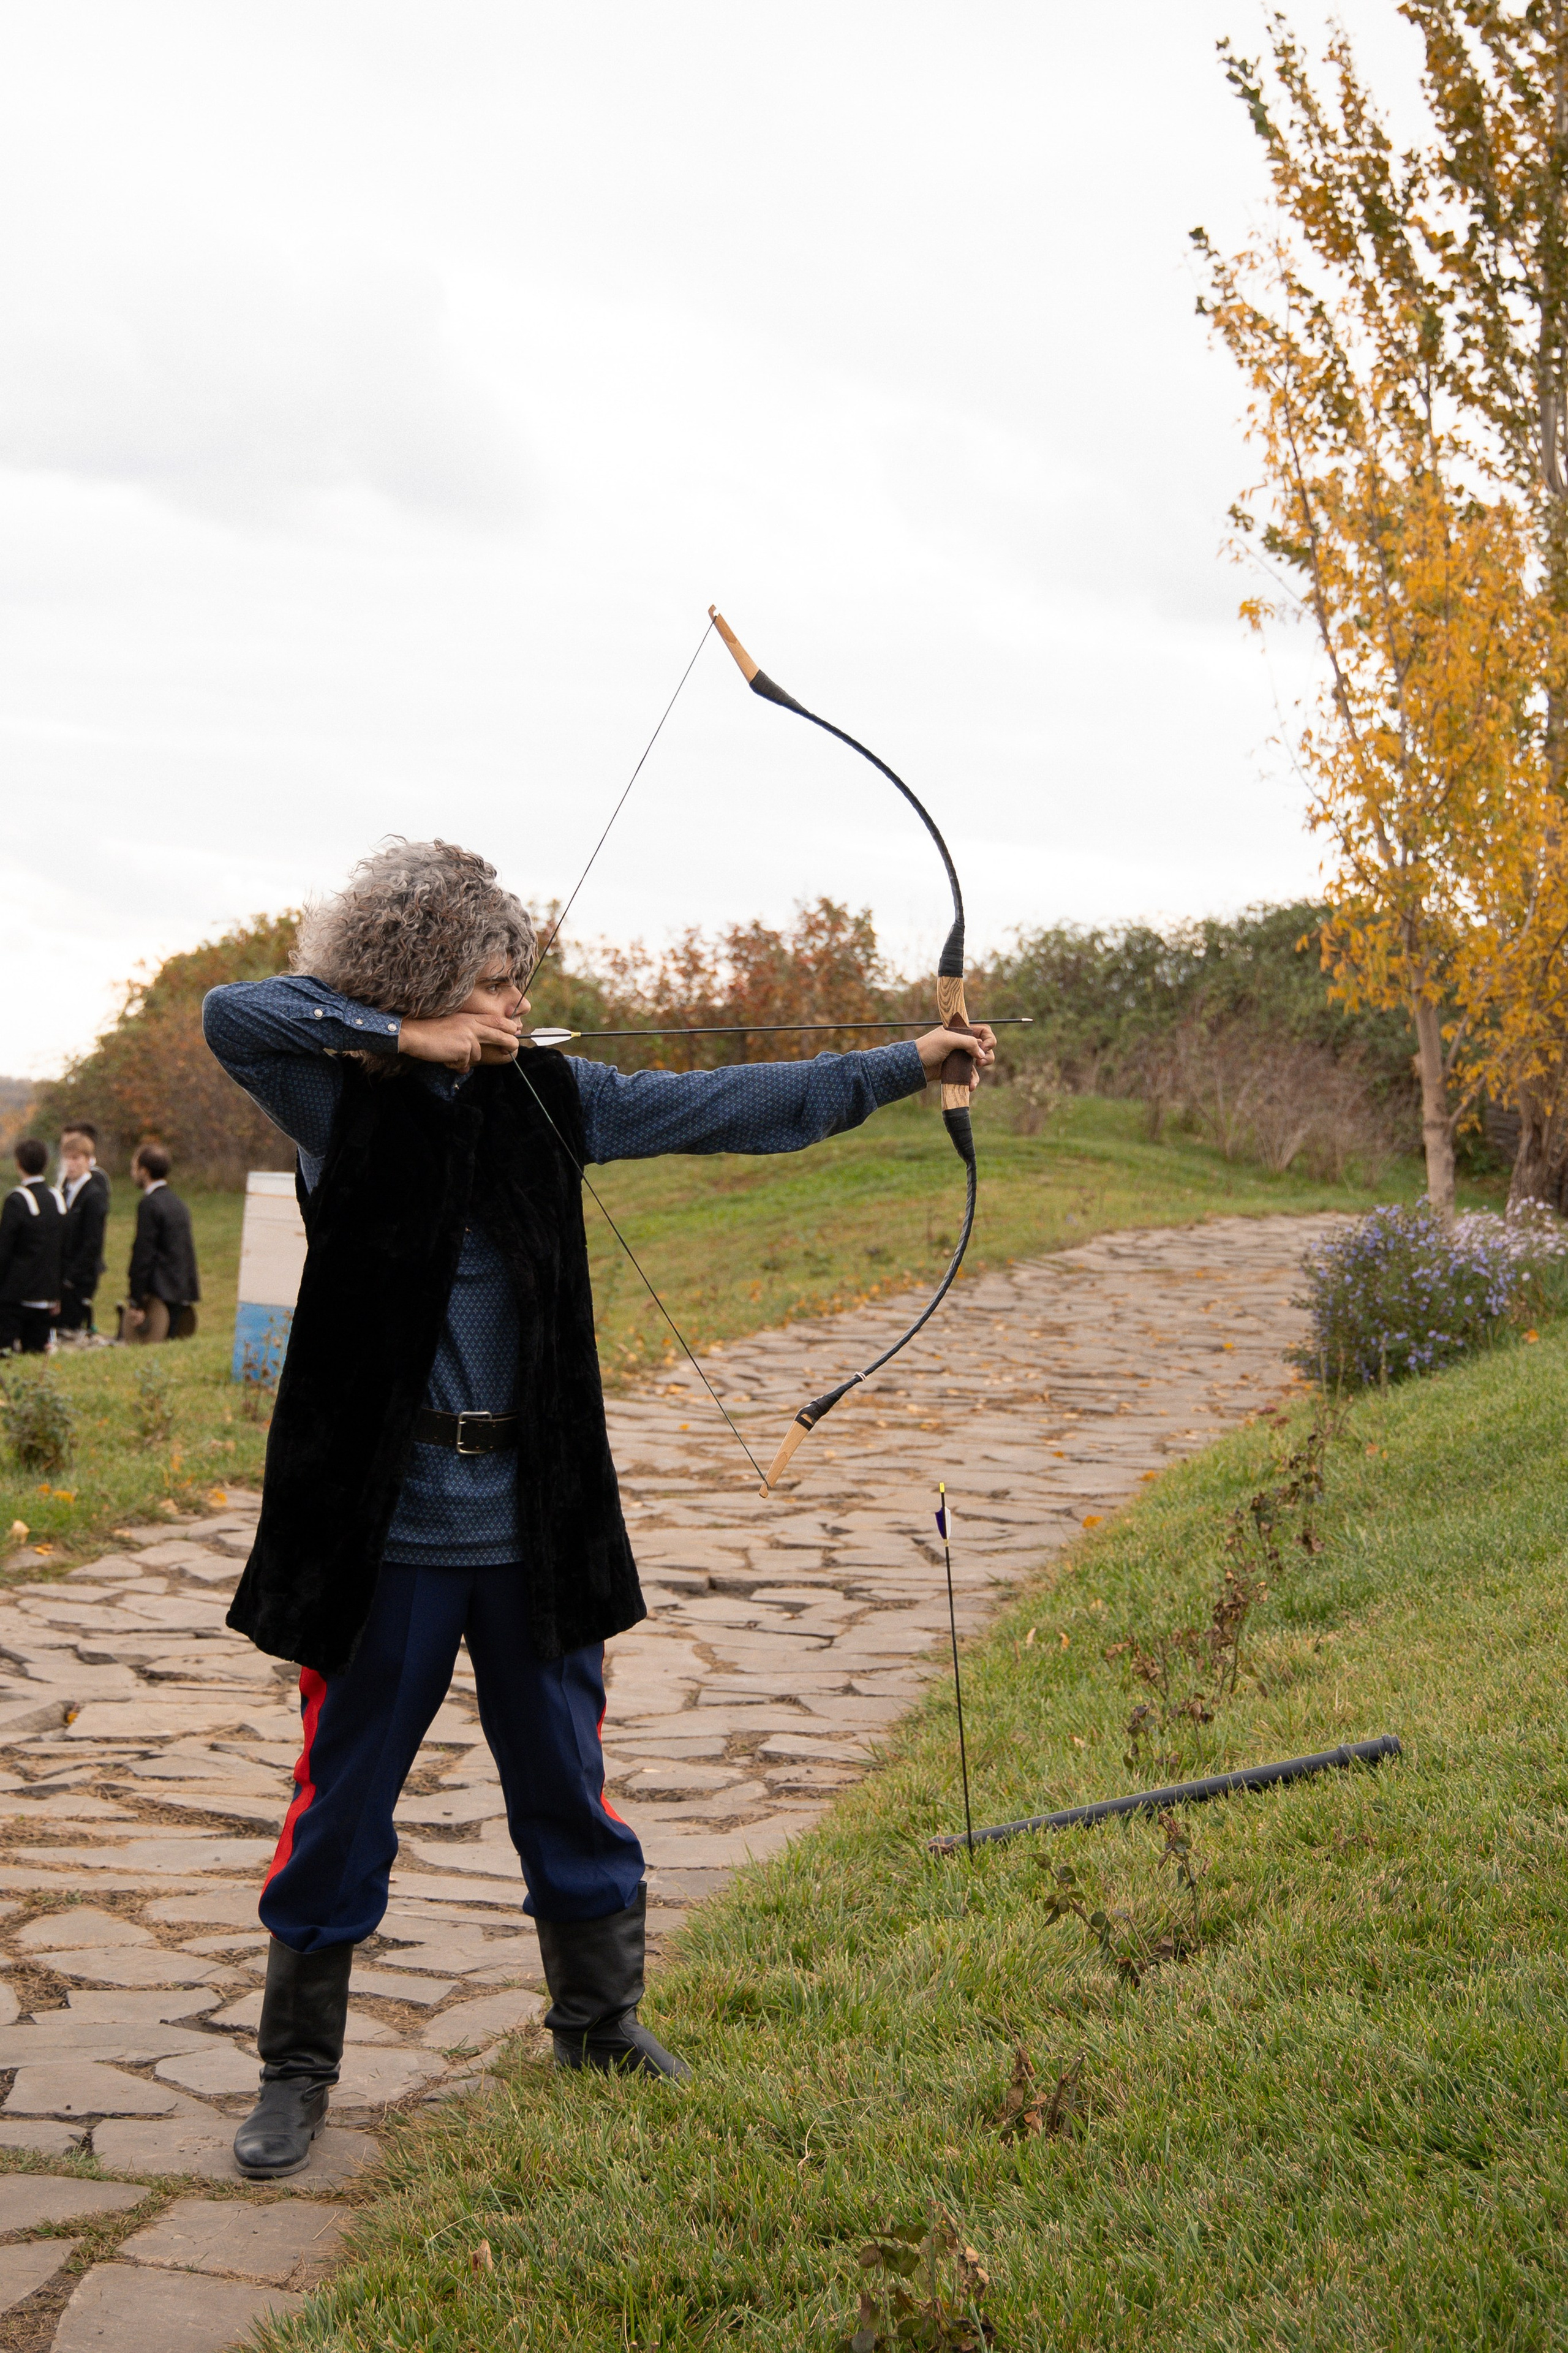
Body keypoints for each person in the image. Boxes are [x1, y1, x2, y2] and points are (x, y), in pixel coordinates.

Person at [202, 838, 994, 2180]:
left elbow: (743, 1102)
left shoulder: (559, 1098)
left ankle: (599, 2021)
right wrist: (407, 1036)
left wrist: (908, 1062)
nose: (517, 1002)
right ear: (422, 983)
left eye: (519, 979)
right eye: (490, 981)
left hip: (535, 1520)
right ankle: (296, 2070)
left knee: (567, 1781)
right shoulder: (336, 1102)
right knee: (340, 1800)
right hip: (385, 1532)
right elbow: (236, 1011)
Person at [124, 1145, 200, 1342]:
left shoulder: (150, 1205)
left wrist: (136, 1300)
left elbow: (144, 1254)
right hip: (180, 1292)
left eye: (134, 1168)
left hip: (160, 1295)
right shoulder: (178, 1203)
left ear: (144, 1171)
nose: (132, 1173)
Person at [0, 1140, 64, 1354]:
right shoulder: (57, 1198)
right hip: (47, 1293)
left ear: (19, 1164)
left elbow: (4, 1249)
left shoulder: (17, 1200)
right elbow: (62, 1249)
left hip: (16, 1295)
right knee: (36, 1353)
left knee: (6, 1353)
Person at [57, 1124, 111, 1342]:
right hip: (63, 1270)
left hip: (81, 1275)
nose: (71, 1164)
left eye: (76, 1158)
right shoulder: (65, 1189)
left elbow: (92, 1242)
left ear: (88, 1160)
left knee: (72, 1328)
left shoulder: (93, 1194)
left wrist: (71, 1277)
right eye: (67, 1159)